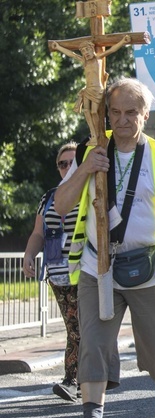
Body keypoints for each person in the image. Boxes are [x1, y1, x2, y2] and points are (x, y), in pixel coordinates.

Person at [54, 77, 155, 418]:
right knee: (94, 341)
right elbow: (60, 205)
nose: (122, 120)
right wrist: (88, 169)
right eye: (115, 112)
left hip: (150, 267)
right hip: (97, 266)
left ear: (145, 114)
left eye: (131, 112)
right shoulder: (91, 152)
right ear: (107, 113)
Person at [23, 142, 82, 402]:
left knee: (80, 328)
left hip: (86, 269)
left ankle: (74, 381)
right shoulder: (48, 197)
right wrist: (28, 256)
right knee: (75, 328)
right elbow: (39, 233)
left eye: (72, 162)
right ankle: (78, 381)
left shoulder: (92, 188)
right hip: (58, 273)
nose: (67, 167)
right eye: (62, 163)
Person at [50, 36, 132, 147]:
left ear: (92, 48)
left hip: (97, 89)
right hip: (88, 90)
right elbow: (71, 54)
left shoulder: (98, 58)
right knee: (86, 111)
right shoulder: (84, 61)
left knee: (94, 112)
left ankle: (98, 134)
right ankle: (93, 135)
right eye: (83, 51)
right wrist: (58, 47)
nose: (86, 53)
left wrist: (122, 41)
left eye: (87, 50)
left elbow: (111, 50)